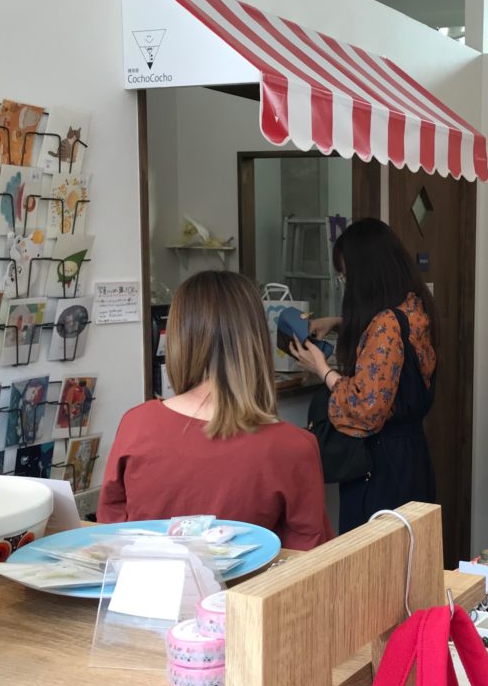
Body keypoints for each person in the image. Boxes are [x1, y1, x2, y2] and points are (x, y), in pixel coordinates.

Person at [99, 271, 332, 551]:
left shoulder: (137, 424)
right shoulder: (294, 447)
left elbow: (111, 531)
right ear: (257, 342)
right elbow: (308, 558)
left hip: (143, 579)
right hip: (252, 582)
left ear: (179, 340)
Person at [290, 218, 438, 534]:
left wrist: (322, 369)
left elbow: (366, 408)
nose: (345, 284)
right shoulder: (413, 306)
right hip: (411, 457)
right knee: (411, 550)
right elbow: (390, 354)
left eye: (346, 276)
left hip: (383, 467)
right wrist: (338, 322)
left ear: (366, 274)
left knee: (375, 557)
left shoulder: (385, 325)